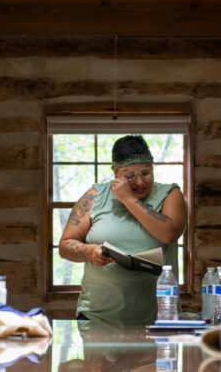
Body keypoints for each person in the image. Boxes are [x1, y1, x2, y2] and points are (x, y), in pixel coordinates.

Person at [60, 135, 188, 326]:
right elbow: (65, 245)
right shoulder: (95, 196)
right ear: (116, 173)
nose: (139, 182)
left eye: (146, 173)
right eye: (129, 176)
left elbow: (169, 233)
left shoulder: (169, 194)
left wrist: (128, 199)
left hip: (156, 320)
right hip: (98, 317)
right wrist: (90, 251)